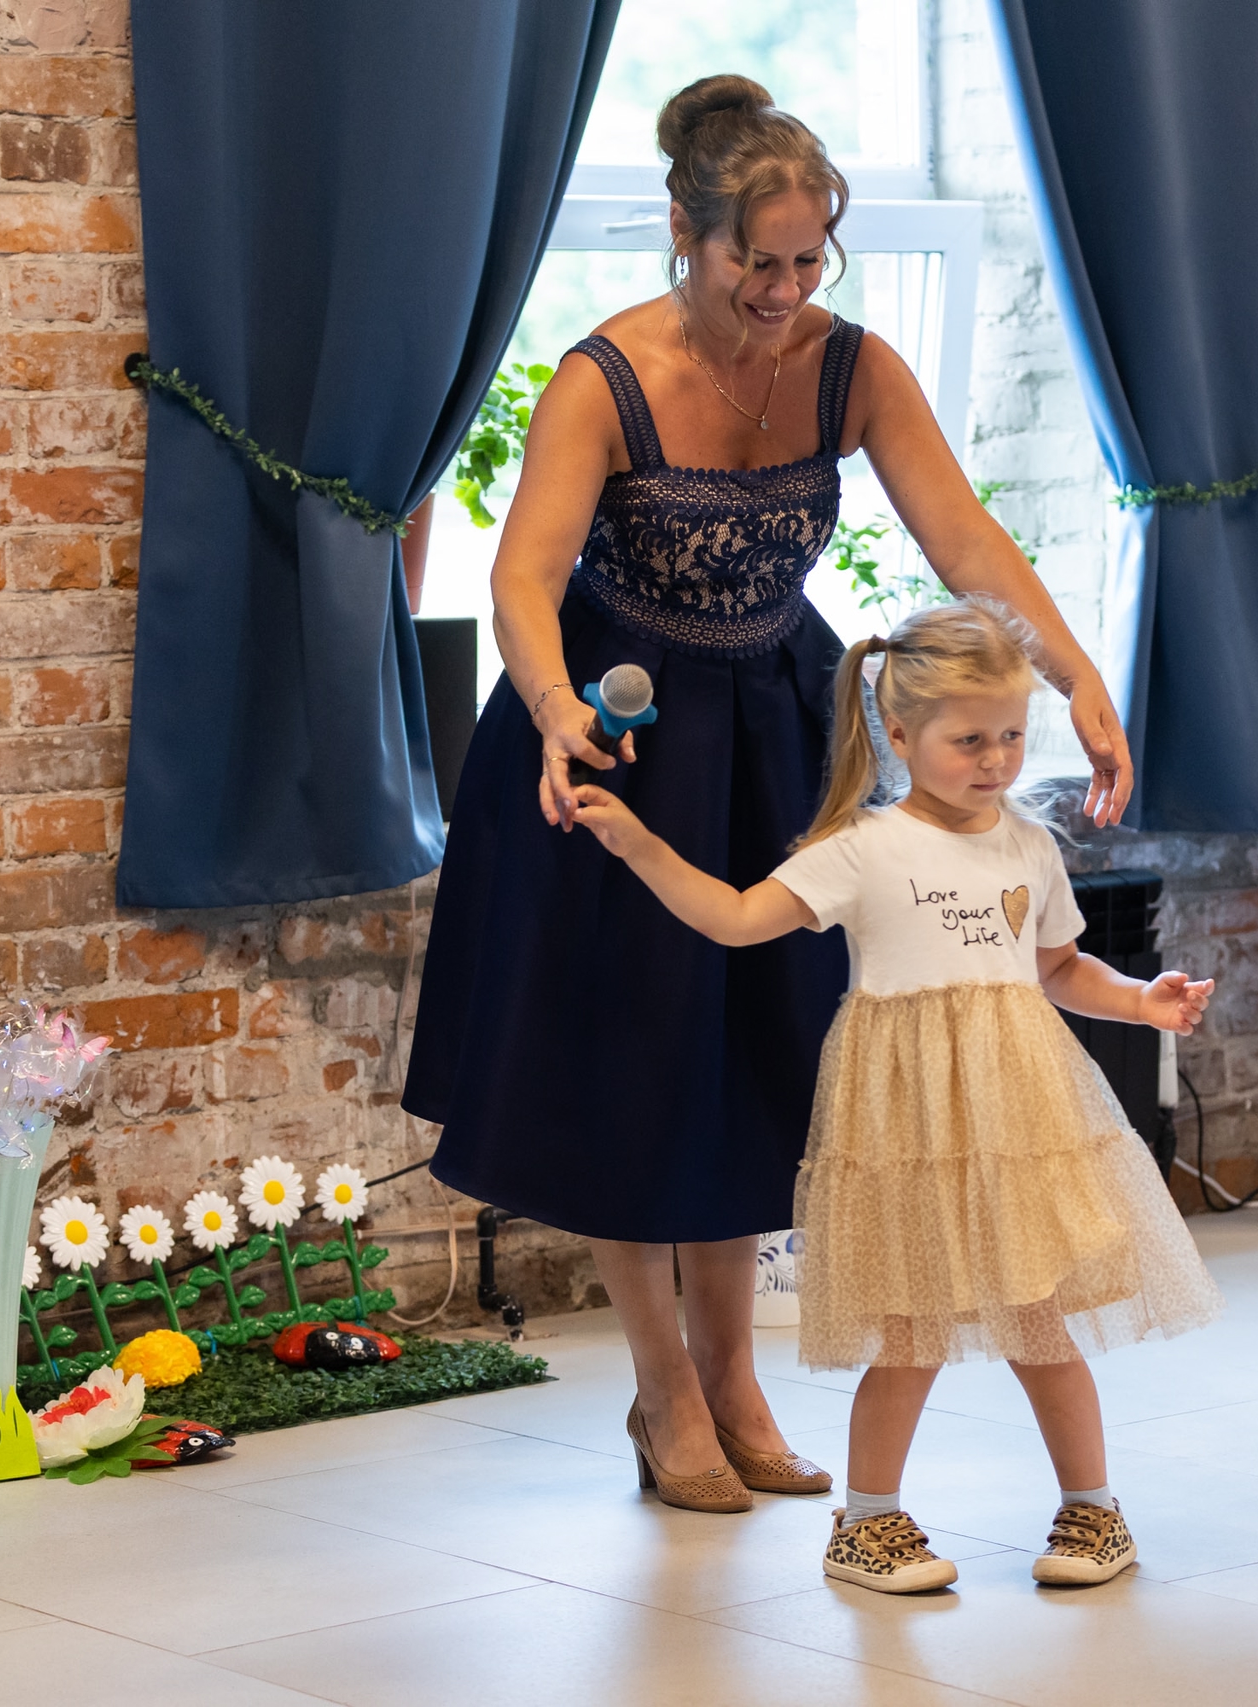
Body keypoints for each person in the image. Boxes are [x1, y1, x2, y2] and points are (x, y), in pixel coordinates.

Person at [402, 76, 1134, 1514]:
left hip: (776, 728)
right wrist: (555, 713)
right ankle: (664, 1388)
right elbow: (523, 576)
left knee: (748, 1058)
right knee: (634, 1058)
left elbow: (962, 532)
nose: (786, 291)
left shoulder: (852, 366)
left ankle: (735, 1379)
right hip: (618, 738)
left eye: (810, 260)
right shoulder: (603, 379)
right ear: (687, 231)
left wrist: (1073, 670)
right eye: (758, 260)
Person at [573, 600, 1223, 1592]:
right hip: (906, 1122)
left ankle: (1094, 1510)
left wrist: (1141, 1000)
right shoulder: (862, 847)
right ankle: (869, 1522)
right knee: (911, 1330)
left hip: (1020, 1118)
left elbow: (1058, 967)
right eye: (970, 740)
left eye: (1012, 736)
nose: (996, 760)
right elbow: (738, 919)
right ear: (901, 731)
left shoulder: (1028, 845)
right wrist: (638, 845)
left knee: (1041, 1318)